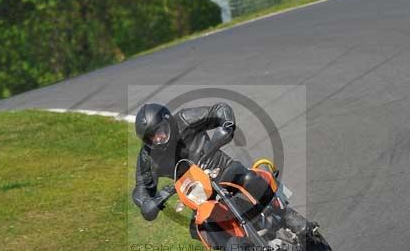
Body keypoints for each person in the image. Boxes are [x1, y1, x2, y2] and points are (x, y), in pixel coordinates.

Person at [132, 102, 315, 240]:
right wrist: (147, 202)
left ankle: (287, 215)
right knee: (198, 230)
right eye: (151, 137)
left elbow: (218, 110)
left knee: (249, 178)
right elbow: (141, 187)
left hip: (222, 170)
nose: (158, 138)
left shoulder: (185, 119)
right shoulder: (148, 157)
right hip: (199, 195)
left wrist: (226, 125)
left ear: (168, 121)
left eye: (160, 131)